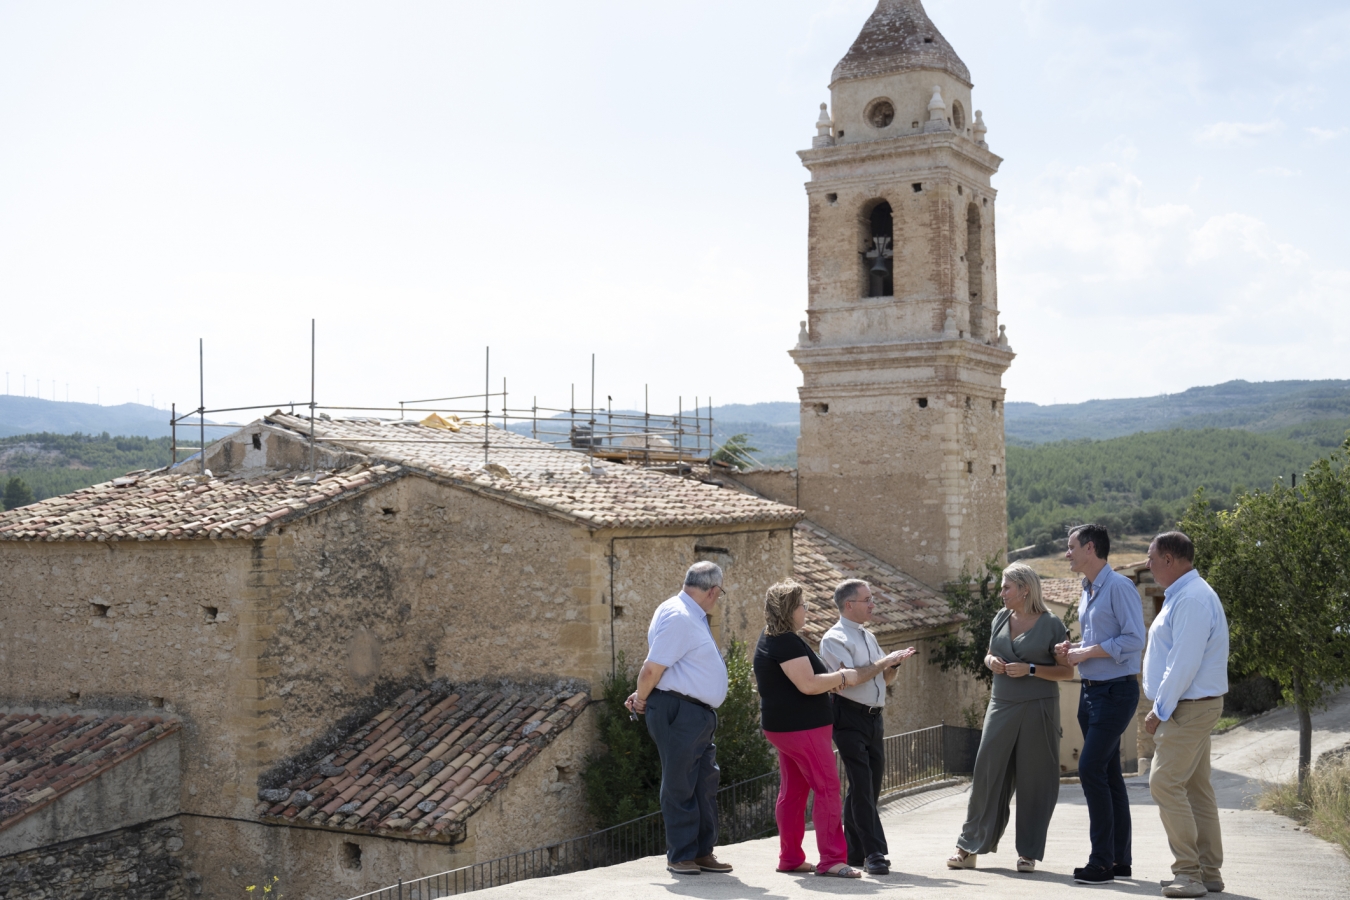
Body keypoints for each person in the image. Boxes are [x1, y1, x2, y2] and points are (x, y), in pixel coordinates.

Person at [947, 563, 1074, 873]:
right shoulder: (1000, 617)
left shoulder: (1052, 624)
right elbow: (990, 652)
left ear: (1024, 589)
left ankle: (1028, 852)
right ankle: (969, 847)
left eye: (1006, 587)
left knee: (1035, 779)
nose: (1001, 593)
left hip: (1039, 706)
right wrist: (991, 661)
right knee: (986, 774)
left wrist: (1030, 669)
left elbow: (1067, 671)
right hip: (1001, 703)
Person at [624, 561, 733, 876]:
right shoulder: (680, 616)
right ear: (713, 591)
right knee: (680, 783)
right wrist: (641, 697)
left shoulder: (682, 612)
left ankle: (700, 852)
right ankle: (681, 854)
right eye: (719, 593)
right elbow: (651, 669)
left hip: (693, 713)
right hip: (679, 710)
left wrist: (642, 694)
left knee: (702, 783)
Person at [1054, 523, 1147, 885]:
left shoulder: (1120, 587)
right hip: (1091, 691)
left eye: (1071, 546)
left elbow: (1133, 638)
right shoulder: (1087, 588)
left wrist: (1086, 651)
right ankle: (1119, 861)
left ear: (1090, 548)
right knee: (1108, 775)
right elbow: (1100, 638)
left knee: (1090, 769)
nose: (1067, 553)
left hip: (1115, 692)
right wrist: (1073, 649)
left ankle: (1101, 862)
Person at [753, 581, 862, 877]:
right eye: (803, 606)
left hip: (785, 728)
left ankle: (790, 858)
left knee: (794, 792)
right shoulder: (785, 642)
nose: (807, 611)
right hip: (803, 729)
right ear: (790, 611)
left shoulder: (770, 638)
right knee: (827, 788)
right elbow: (809, 684)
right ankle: (832, 859)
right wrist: (842, 676)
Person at [1142, 532, 1229, 899]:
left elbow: (1183, 663)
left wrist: (1158, 711)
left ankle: (1189, 874)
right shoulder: (1188, 595)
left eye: (1151, 557)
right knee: (1195, 787)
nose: (1147, 564)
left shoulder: (1191, 599)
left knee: (1162, 782)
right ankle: (1207, 871)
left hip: (1186, 708)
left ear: (1169, 559)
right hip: (1194, 705)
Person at [818, 579, 915, 876]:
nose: (873, 604)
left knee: (869, 787)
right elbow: (853, 678)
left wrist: (892, 666)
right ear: (850, 605)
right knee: (861, 784)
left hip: (874, 718)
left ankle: (854, 851)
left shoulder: (869, 636)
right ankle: (874, 852)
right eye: (867, 600)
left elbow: (882, 680)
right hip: (848, 717)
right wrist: (884, 661)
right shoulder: (833, 639)